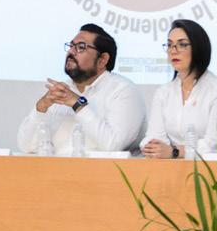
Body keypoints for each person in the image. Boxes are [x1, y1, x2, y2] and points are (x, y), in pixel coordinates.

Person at [17, 23, 145, 155]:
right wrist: (41, 107)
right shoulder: (61, 90)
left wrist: (78, 104)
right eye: (71, 46)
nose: (71, 51)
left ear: (102, 60)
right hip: (55, 166)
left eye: (80, 47)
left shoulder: (123, 90)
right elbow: (26, 147)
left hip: (99, 168)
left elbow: (113, 145)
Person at [141, 19, 217, 158]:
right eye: (169, 45)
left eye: (182, 44)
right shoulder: (163, 92)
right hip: (173, 164)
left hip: (214, 166)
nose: (173, 51)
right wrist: (153, 147)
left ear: (198, 48)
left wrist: (174, 151)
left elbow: (214, 144)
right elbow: (153, 136)